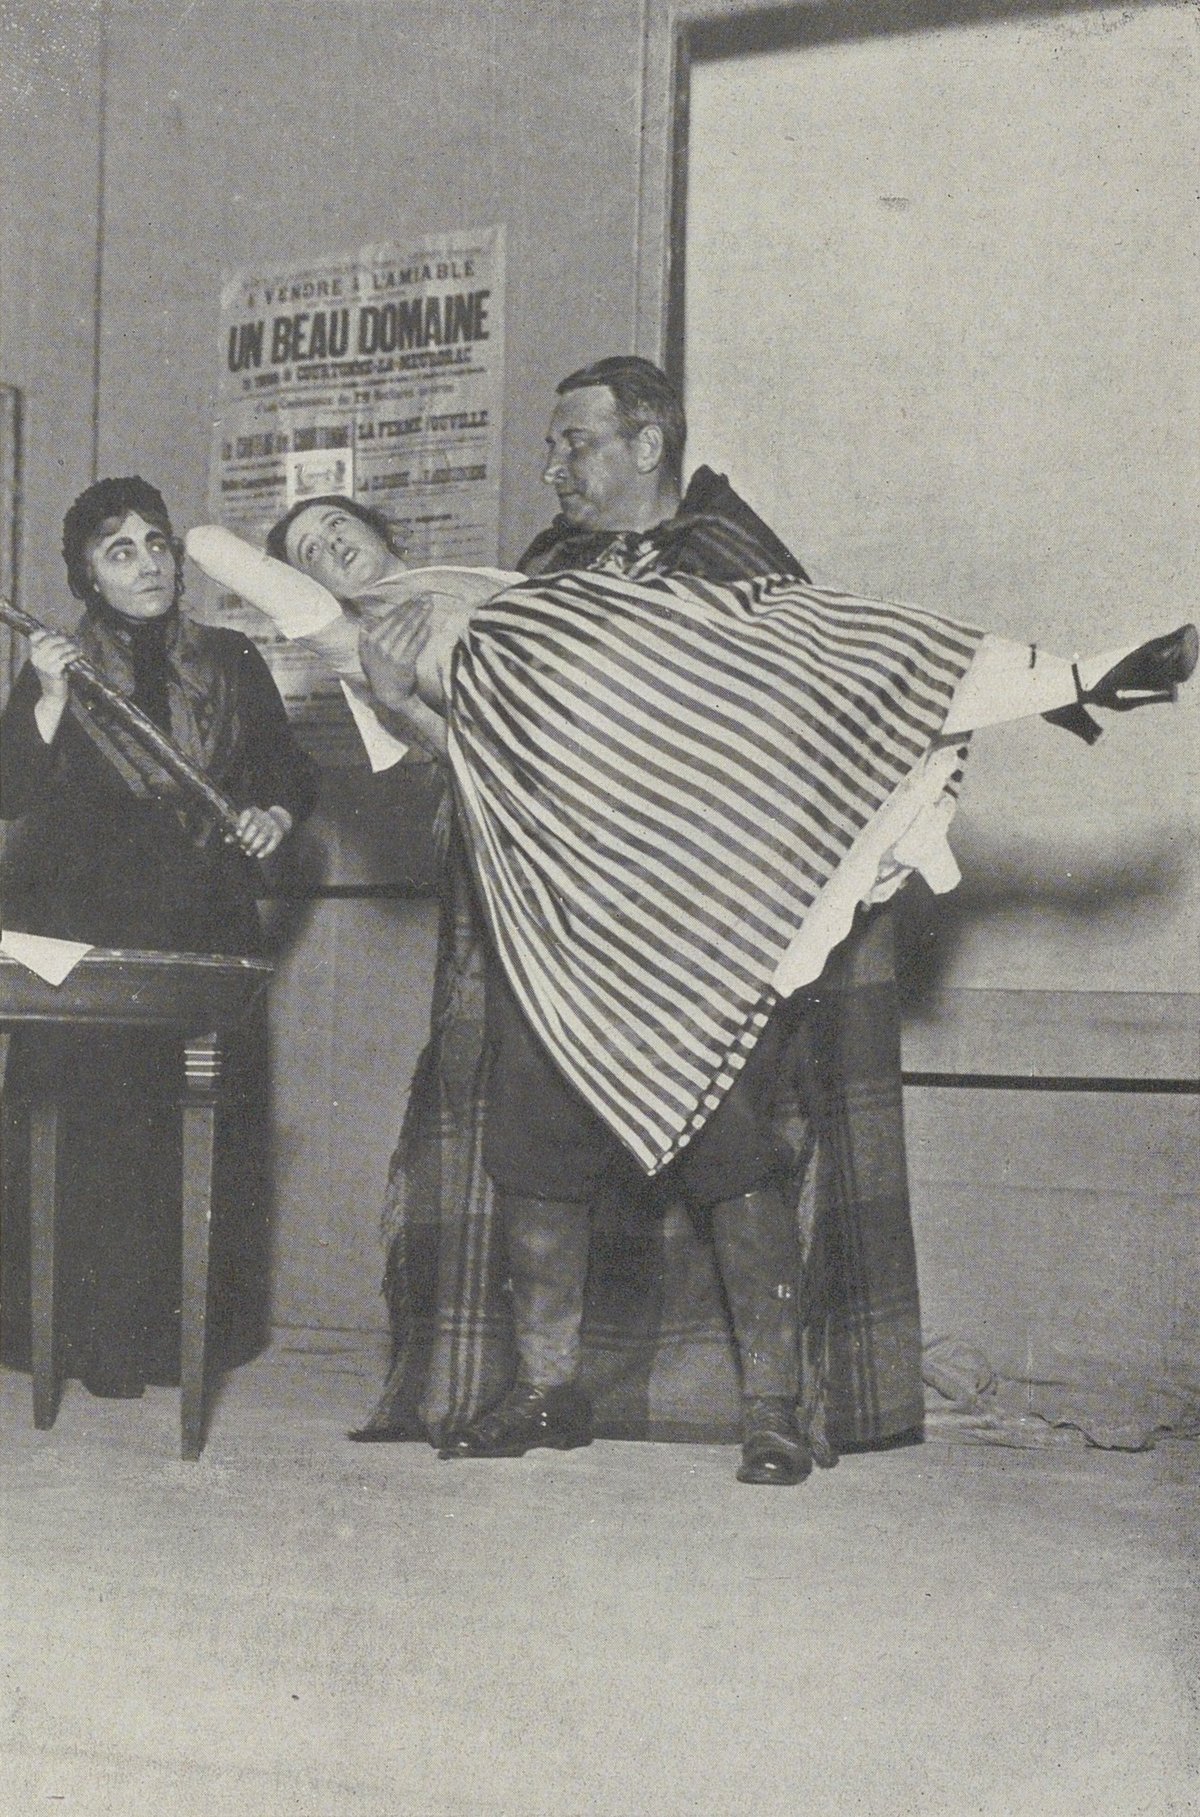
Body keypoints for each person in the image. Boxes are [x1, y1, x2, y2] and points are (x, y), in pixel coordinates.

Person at [190, 359, 1195, 1484]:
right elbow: (478, 751)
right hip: (556, 916)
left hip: (705, 917)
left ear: (648, 442)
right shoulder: (535, 579)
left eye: (575, 443)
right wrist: (396, 699)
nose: (553, 466)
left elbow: (835, 668)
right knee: (535, 1151)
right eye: (552, 446)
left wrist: (1052, 684)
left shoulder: (734, 562)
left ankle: (772, 1406)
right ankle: (547, 1387)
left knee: (732, 1150)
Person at [0, 477, 318, 1399]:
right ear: (88, 578)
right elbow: (11, 788)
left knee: (194, 1130)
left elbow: (288, 771)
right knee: (96, 1133)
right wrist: (47, 695)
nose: (148, 564)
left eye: (157, 543)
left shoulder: (229, 658)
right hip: (90, 937)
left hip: (201, 927)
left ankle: (181, 1343)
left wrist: (272, 814)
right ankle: (82, 1340)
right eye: (120, 551)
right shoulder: (60, 665)